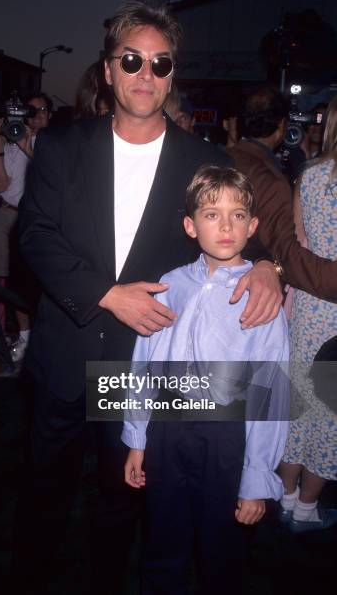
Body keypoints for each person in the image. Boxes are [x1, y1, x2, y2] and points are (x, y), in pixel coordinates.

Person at [16, 1, 282, 595]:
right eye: (131, 60)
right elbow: (33, 233)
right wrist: (107, 295)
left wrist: (268, 266)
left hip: (138, 368)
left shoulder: (203, 160)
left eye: (160, 64)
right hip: (66, 348)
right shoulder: (62, 147)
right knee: (43, 496)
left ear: (171, 76)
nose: (145, 74)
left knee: (121, 503)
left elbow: (239, 227)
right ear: (108, 70)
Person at [122, 166, 289, 595]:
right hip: (168, 431)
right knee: (162, 537)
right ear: (190, 225)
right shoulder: (170, 284)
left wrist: (256, 475)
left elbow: (269, 388)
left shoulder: (260, 293)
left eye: (237, 215)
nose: (226, 226)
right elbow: (146, 364)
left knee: (223, 547)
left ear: (252, 226)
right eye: (212, 214)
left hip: (226, 437)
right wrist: (137, 438)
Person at [278, 96, 337, 533]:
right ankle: (305, 510)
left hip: (309, 306)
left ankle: (285, 496)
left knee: (299, 403)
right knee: (331, 415)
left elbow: (298, 244)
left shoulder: (311, 175)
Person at [231, 87, 337, 300]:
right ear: (281, 126)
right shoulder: (269, 178)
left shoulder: (225, 157)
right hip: (253, 289)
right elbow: (284, 252)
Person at [0, 92, 52, 360]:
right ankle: (23, 338)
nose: (36, 115)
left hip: (40, 221)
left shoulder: (54, 145)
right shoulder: (11, 143)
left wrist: (27, 143)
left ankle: (42, 339)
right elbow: (1, 186)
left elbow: (47, 173)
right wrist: (1, 141)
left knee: (40, 281)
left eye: (42, 111)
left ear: (49, 115)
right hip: (10, 215)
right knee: (14, 280)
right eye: (32, 110)